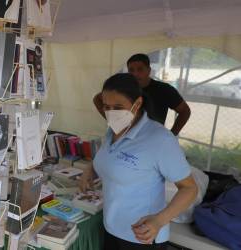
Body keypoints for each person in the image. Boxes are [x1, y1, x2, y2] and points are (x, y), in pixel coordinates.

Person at [80, 73, 198, 250]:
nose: (111, 113)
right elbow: (108, 157)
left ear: (138, 103)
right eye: (107, 107)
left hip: (142, 236)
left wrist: (159, 220)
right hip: (111, 227)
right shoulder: (114, 130)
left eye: (118, 107)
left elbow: (189, 188)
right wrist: (90, 170)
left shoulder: (159, 139)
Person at [94, 54, 191, 135]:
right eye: (131, 70)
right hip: (126, 135)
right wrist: (113, 121)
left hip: (152, 137)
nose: (135, 74)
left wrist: (172, 134)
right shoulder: (123, 89)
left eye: (140, 69)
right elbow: (97, 99)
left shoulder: (164, 89)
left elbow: (185, 111)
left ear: (149, 70)